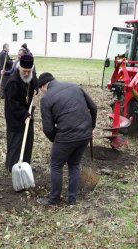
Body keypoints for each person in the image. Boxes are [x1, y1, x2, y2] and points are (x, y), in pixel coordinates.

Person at [36, 72, 97, 206]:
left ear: (44, 86)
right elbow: (93, 107)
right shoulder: (75, 87)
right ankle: (72, 199)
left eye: (41, 90)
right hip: (85, 135)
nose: (42, 93)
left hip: (66, 136)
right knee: (74, 164)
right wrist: (91, 127)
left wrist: (56, 140)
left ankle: (54, 199)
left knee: (56, 165)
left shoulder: (46, 99)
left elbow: (48, 129)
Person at [3, 54, 38, 172]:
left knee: (28, 140)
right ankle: (12, 167)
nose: (27, 74)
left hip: (27, 114)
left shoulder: (30, 76)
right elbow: (13, 103)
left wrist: (36, 88)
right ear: (19, 68)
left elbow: (34, 82)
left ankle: (25, 166)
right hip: (15, 117)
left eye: (29, 71)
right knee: (16, 143)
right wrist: (24, 114)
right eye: (24, 71)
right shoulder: (13, 82)